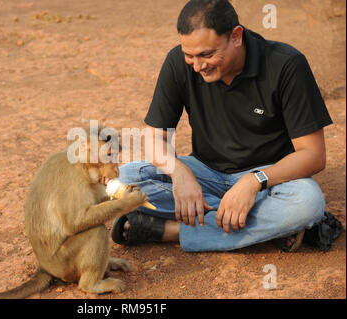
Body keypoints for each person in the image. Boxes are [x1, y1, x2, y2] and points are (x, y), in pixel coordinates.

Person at [110, 0, 333, 252]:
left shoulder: (285, 65)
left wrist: (253, 182)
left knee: (307, 203)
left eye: (207, 54)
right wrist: (179, 174)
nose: (198, 66)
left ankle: (170, 231)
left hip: (268, 181)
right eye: (189, 55)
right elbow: (154, 138)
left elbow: (313, 154)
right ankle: (262, 226)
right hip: (204, 173)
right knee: (122, 178)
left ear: (236, 36)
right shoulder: (177, 63)